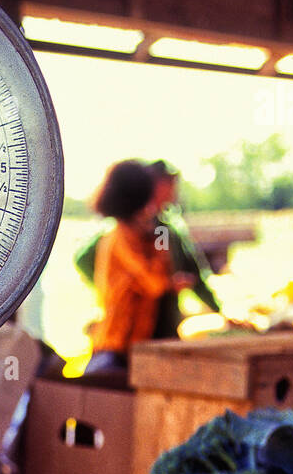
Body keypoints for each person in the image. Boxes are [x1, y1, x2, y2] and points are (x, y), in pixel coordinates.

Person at [75, 159, 221, 343]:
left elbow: (178, 269)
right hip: (126, 337)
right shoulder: (124, 233)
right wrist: (119, 287)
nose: (173, 192)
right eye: (167, 185)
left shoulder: (160, 229)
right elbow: (155, 279)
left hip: (160, 328)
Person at [82, 160, 180, 377]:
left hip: (132, 348)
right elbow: (154, 283)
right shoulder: (123, 237)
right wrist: (169, 274)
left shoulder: (139, 233)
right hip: (115, 348)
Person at [149, 160, 221, 338]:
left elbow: (193, 271)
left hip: (167, 320)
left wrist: (218, 310)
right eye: (169, 184)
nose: (174, 189)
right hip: (145, 323)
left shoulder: (166, 226)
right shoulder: (138, 227)